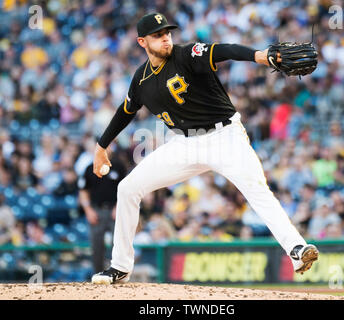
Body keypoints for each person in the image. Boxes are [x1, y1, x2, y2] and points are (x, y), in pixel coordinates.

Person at [91, 13, 319, 284]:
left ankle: (296, 249)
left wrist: (262, 56)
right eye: (157, 35)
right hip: (185, 144)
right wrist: (101, 146)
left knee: (257, 190)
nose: (165, 38)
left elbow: (226, 50)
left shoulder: (186, 55)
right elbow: (125, 111)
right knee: (127, 189)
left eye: (167, 33)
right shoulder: (141, 79)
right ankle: (120, 267)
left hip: (225, 137)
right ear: (142, 41)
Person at [78, 157, 126, 273]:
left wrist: (118, 206)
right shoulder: (90, 168)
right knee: (96, 246)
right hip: (96, 211)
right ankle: (97, 274)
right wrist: (88, 210)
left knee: (119, 244)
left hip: (115, 209)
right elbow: (83, 190)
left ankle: (118, 273)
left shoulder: (118, 166)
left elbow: (126, 187)